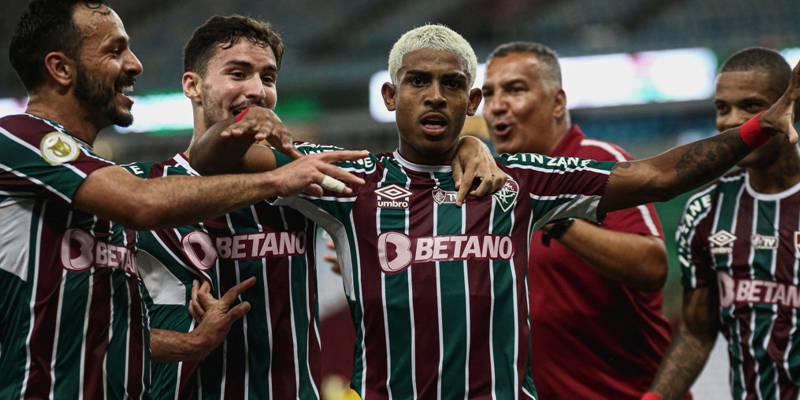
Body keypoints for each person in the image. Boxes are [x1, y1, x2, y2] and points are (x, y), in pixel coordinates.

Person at [189, 24, 800, 399]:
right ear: (389, 96)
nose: (435, 95)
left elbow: (659, 175)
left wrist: (753, 133)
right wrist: (246, 121)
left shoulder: (519, 181)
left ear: (470, 99)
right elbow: (213, 160)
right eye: (419, 82)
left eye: (452, 84)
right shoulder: (351, 178)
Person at [0, 1, 368, 398]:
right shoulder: (22, 139)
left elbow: (101, 329)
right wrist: (276, 180)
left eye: (268, 76)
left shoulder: (100, 199)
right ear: (60, 68)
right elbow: (143, 204)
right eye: (115, 50)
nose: (136, 64)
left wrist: (190, 344)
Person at [127, 15, 504, 399]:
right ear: (192, 85)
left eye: (268, 78)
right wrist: (184, 344)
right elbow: (85, 327)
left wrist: (469, 145)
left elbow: (405, 168)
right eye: (238, 74)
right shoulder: (136, 189)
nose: (256, 89)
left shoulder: (304, 179)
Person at [481, 41, 677, 399]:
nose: (496, 107)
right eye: (489, 94)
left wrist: (558, 218)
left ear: (557, 102)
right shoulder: (496, 187)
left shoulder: (599, 165)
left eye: (515, 89)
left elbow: (653, 266)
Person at [646, 47, 800, 400]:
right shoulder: (705, 209)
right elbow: (697, 334)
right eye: (721, 108)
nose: (731, 121)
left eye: (751, 106)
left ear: (790, 107)